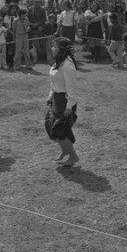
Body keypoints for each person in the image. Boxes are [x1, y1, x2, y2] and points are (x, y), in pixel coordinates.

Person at [45, 37, 79, 167]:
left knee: (61, 129)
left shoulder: (67, 66)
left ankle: (73, 156)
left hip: (64, 101)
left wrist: (69, 107)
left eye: (55, 47)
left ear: (62, 50)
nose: (53, 49)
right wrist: (50, 96)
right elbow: (54, 82)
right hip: (56, 98)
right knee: (52, 127)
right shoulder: (58, 62)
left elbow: (72, 88)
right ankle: (64, 151)